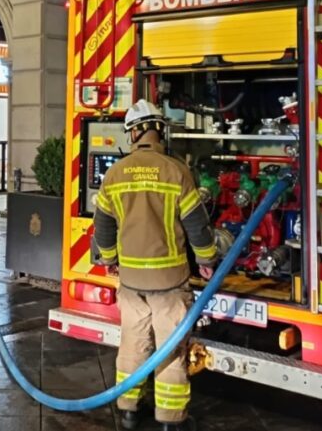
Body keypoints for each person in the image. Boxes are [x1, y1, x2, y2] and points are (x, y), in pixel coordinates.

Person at [93, 100, 218, 431]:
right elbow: (197, 226)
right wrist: (206, 260)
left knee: (132, 345)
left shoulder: (115, 173)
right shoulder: (176, 171)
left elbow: (103, 227)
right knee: (170, 352)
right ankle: (170, 419)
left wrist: (109, 260)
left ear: (133, 133)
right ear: (159, 130)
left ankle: (129, 410)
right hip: (170, 283)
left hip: (132, 282)